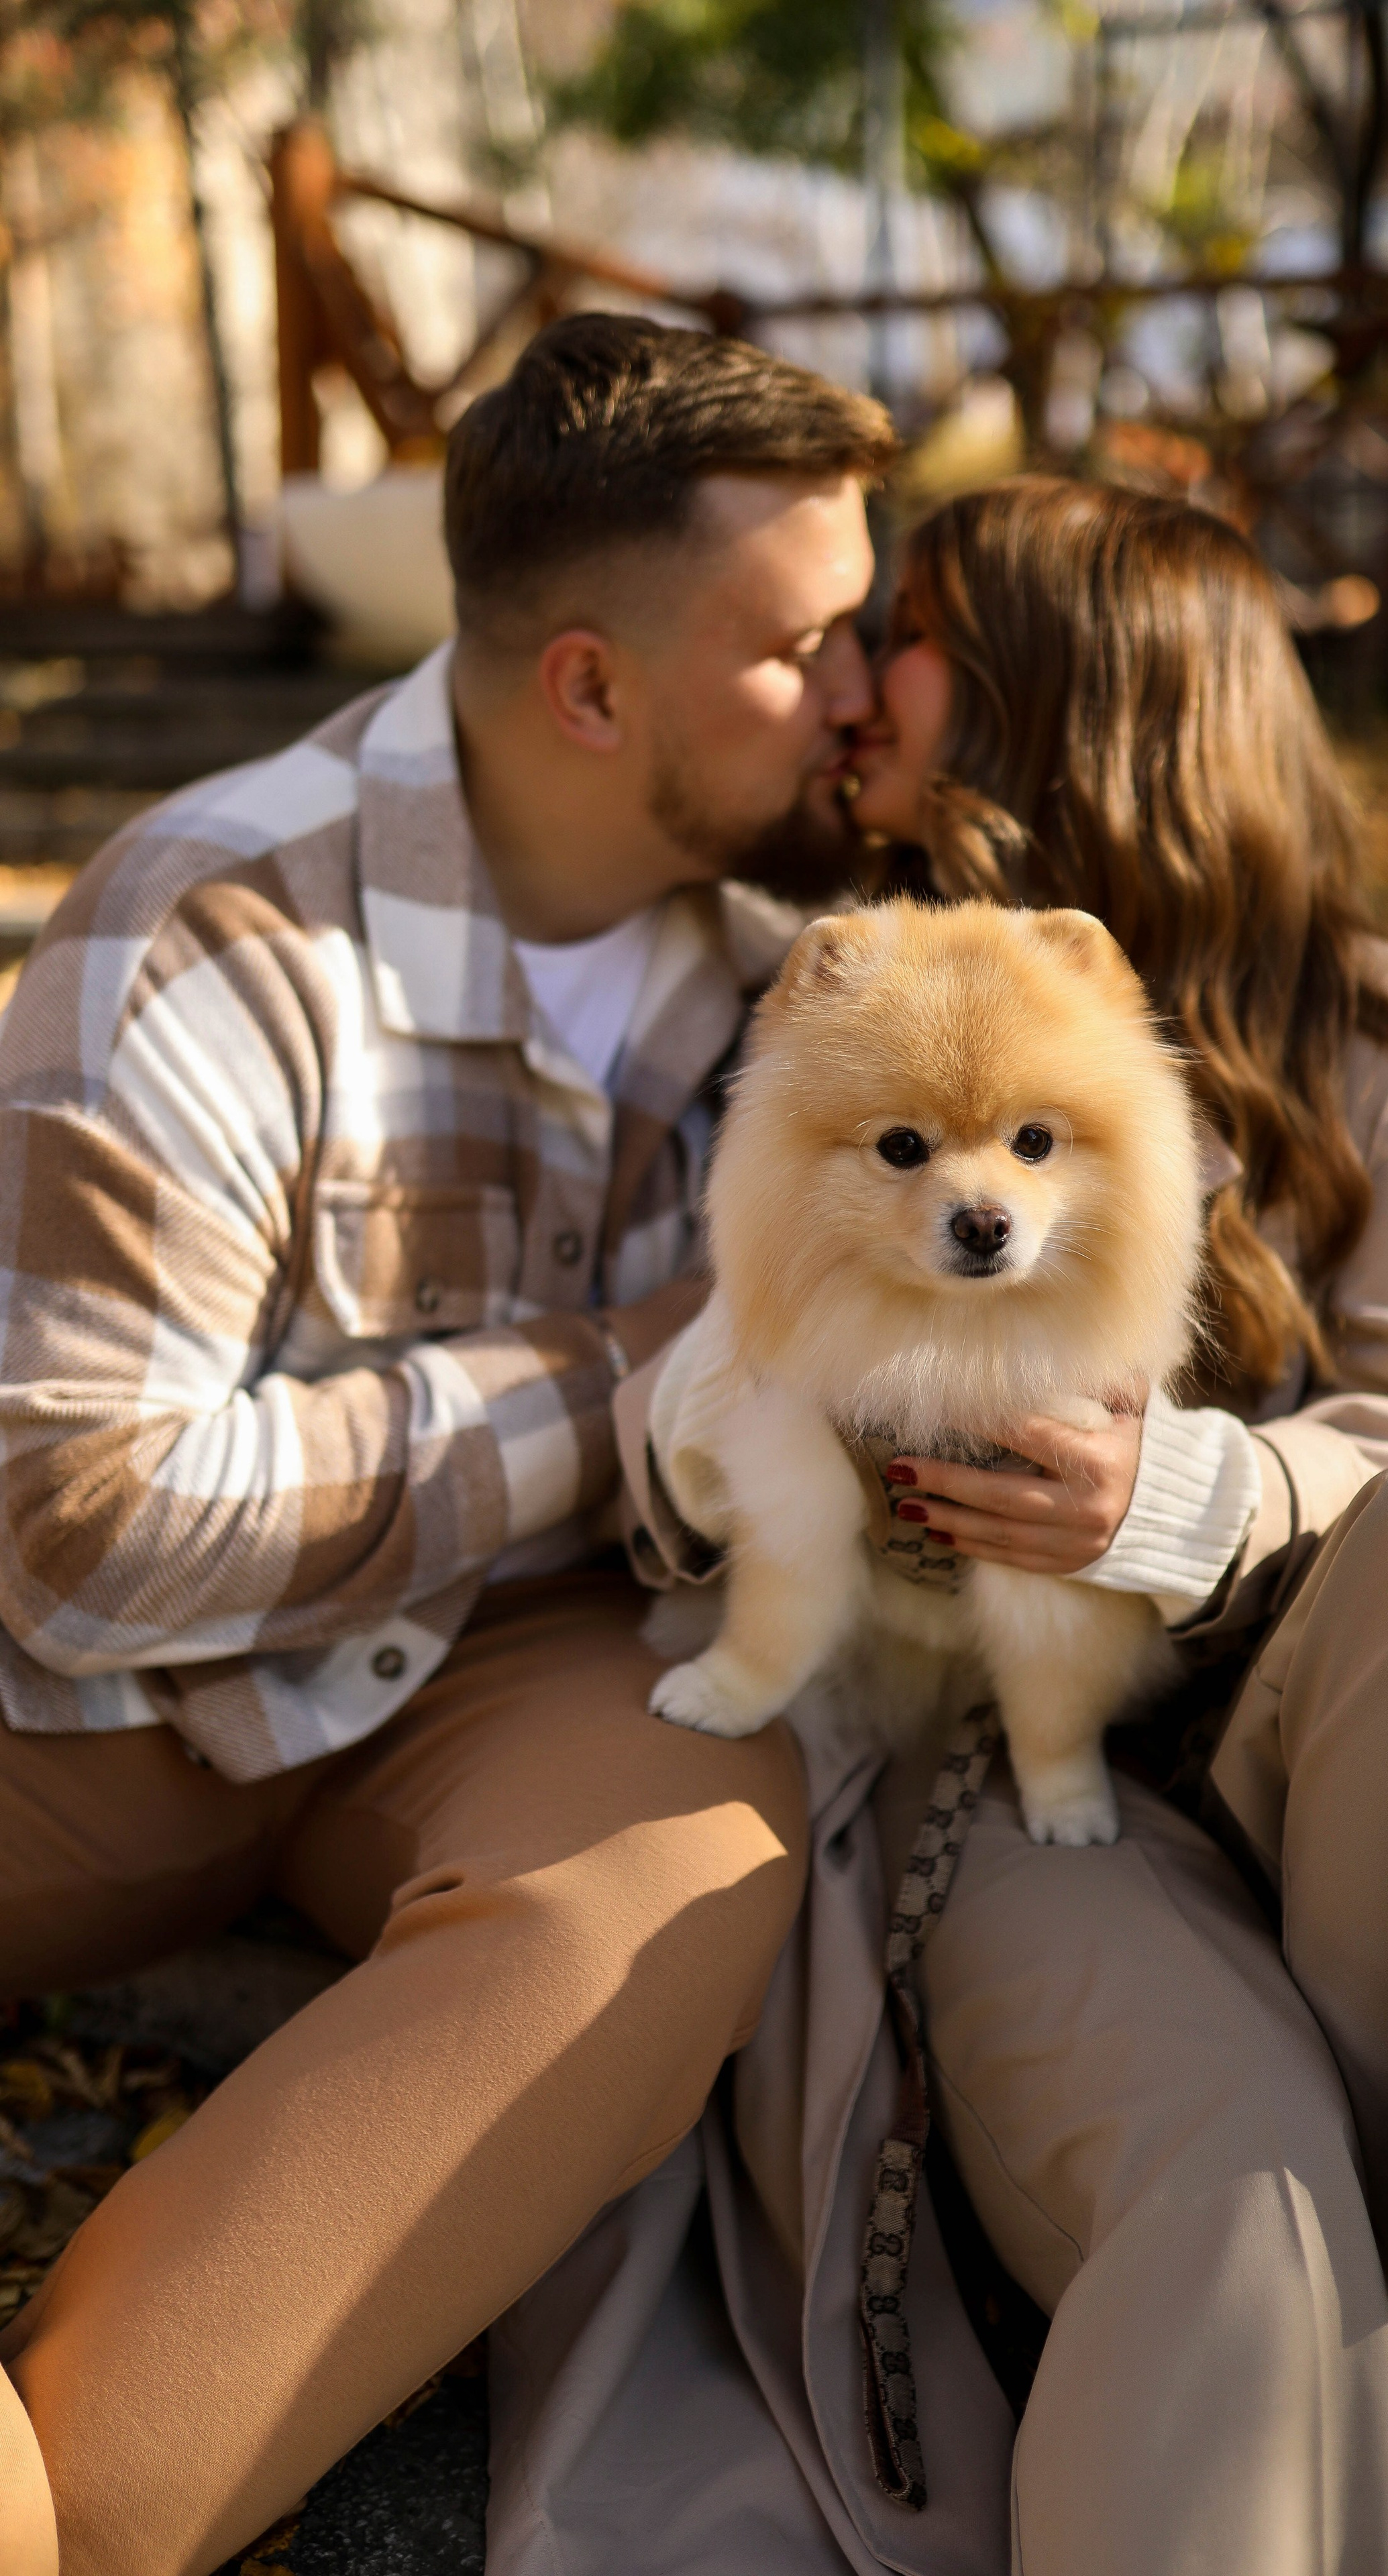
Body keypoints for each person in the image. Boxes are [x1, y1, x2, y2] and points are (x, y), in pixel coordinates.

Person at [497, 478, 1388, 2576]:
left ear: (1069, 701)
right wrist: (798, 1407)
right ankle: (1327, 2378)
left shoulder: (1375, 1040)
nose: (859, 683)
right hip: (1016, 1794)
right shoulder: (827, 977)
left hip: (1326, 1745)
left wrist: (1191, 1499)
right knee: (1233, 2189)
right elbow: (690, 1399)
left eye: (914, 631)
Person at [0, 313, 898, 2576]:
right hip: (81, 1710)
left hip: (507, 1673)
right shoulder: (211, 931)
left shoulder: (808, 981)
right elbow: (76, 1533)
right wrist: (632, 1376)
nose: (861, 689)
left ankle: (75, 2512)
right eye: (800, 645)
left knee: (684, 1867)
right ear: (590, 688)